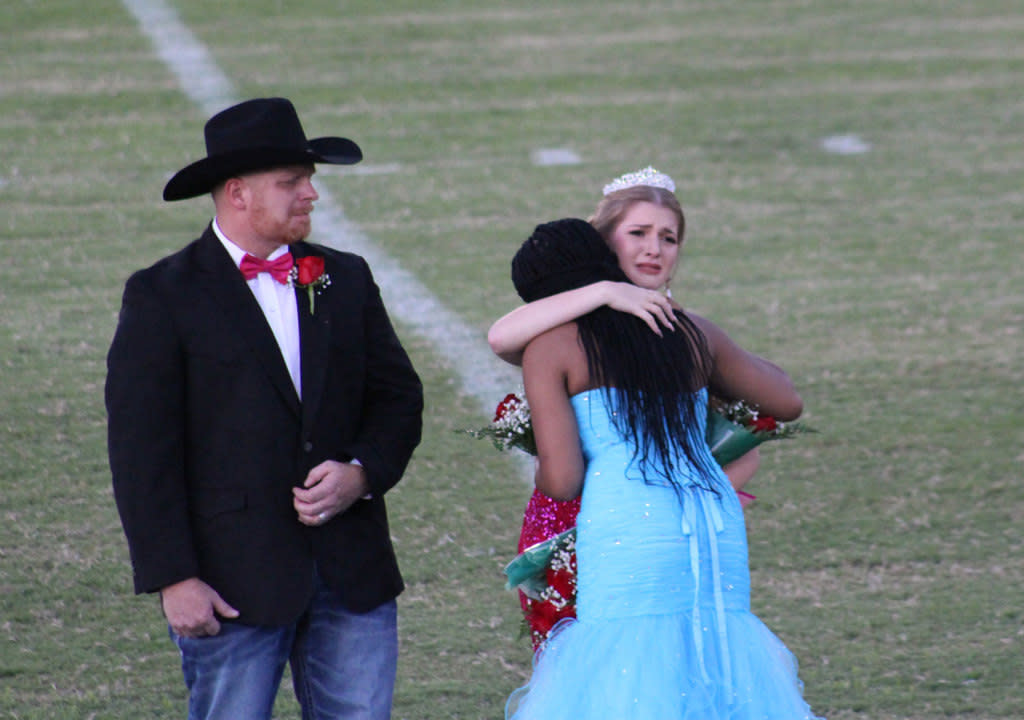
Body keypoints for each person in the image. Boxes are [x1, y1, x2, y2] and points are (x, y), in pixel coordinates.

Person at [105, 97, 424, 720]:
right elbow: (142, 451)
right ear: (237, 193)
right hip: (229, 585)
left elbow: (398, 397)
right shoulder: (161, 295)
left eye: (308, 180)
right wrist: (174, 577)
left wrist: (361, 472)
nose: (310, 194)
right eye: (291, 182)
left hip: (350, 574)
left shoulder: (347, 276)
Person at [503, 218, 821, 718]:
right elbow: (786, 400)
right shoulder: (688, 330)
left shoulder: (551, 346)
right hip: (712, 522)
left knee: (628, 666)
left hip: (629, 522)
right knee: (718, 651)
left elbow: (562, 480)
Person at [488, 167, 761, 649]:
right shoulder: (672, 333)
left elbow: (745, 452)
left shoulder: (680, 332)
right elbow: (501, 335)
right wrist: (605, 291)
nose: (654, 248)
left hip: (619, 529)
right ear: (603, 243)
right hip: (616, 527)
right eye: (637, 233)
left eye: (668, 238)